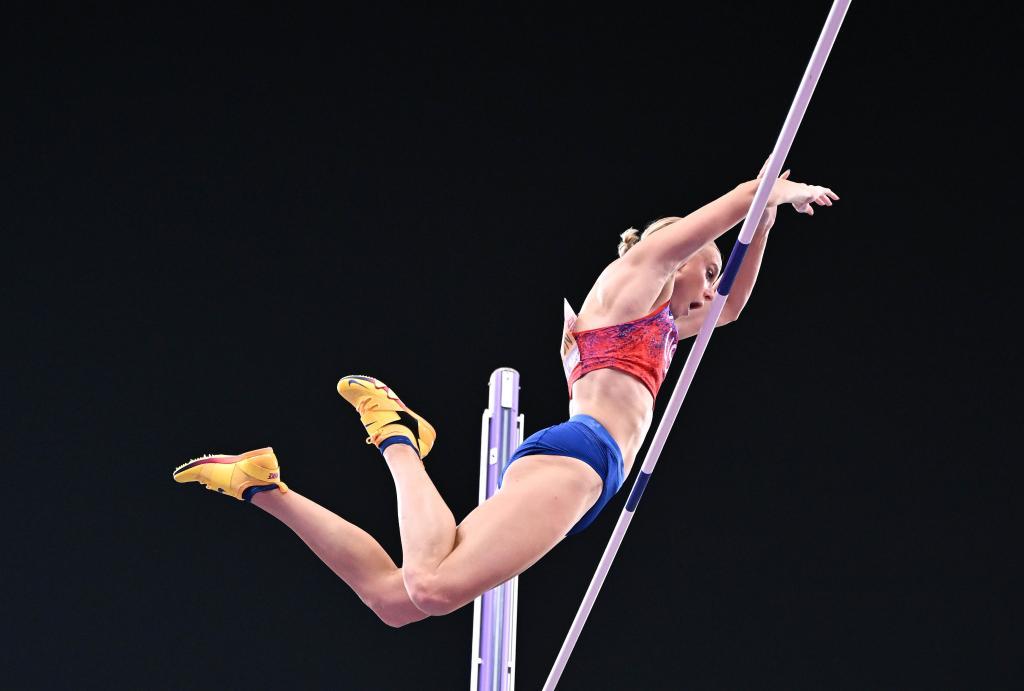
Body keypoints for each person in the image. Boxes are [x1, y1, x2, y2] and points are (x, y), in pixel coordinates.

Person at [172, 169, 838, 627]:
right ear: (677, 253)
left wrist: (770, 216)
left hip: (580, 472)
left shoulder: (666, 324)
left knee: (395, 600)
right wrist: (768, 188)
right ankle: (395, 434)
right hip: (584, 455)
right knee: (431, 583)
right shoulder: (633, 282)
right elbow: (714, 221)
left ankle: (262, 487)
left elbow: (730, 310)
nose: (712, 284)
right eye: (709, 266)